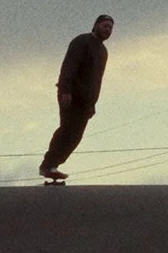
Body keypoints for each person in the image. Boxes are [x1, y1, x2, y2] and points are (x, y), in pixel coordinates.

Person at [40, 14, 113, 181]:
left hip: (86, 101)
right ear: (96, 25)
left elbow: (97, 79)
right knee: (67, 130)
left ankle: (53, 165)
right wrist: (65, 91)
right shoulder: (82, 41)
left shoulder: (103, 51)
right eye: (105, 26)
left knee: (76, 136)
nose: (108, 30)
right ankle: (47, 165)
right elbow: (69, 66)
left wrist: (92, 104)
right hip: (71, 95)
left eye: (110, 28)